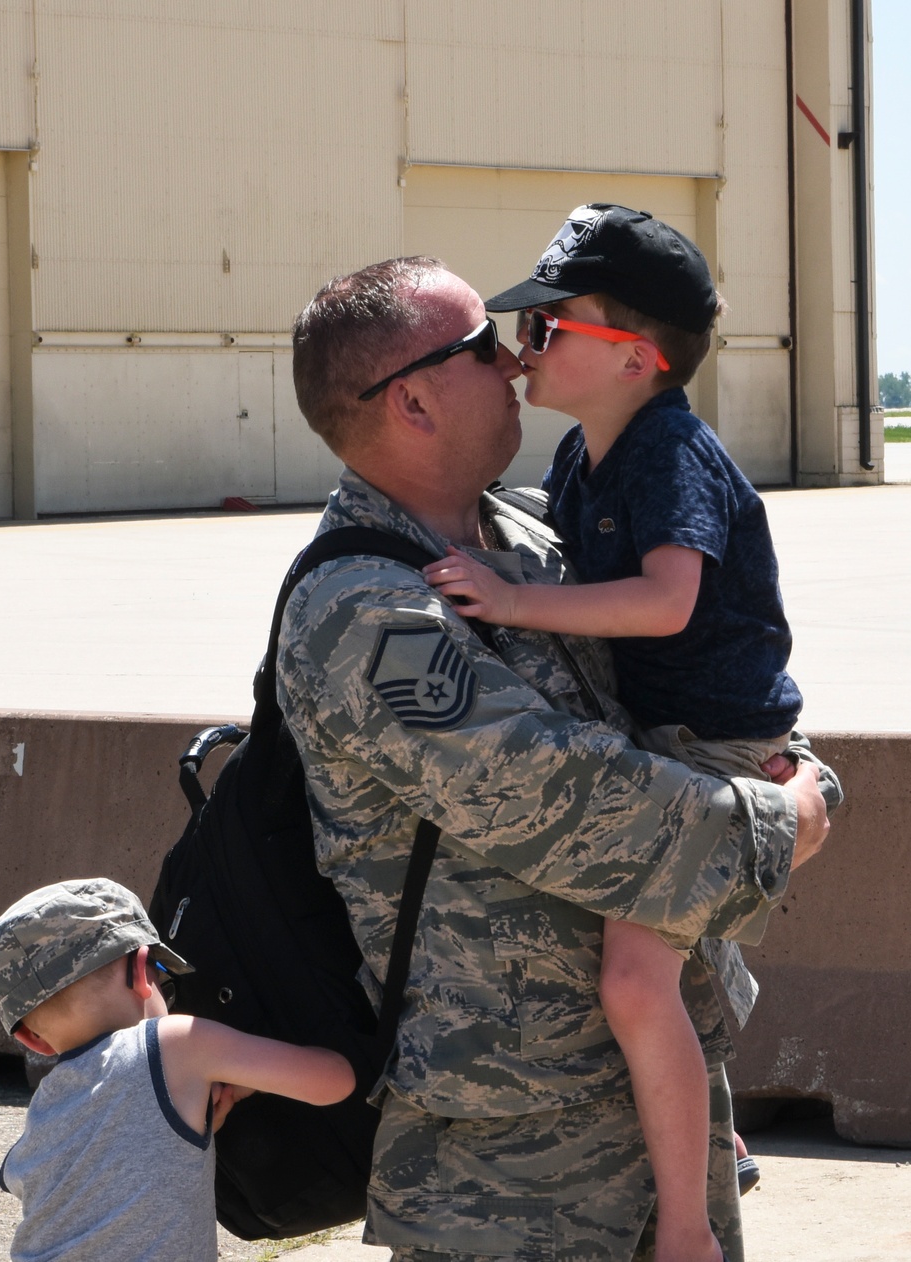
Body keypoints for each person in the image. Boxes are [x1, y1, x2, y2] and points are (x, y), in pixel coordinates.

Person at [282, 254, 837, 1262]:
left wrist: (779, 754)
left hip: (656, 1100)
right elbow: (566, 803)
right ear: (409, 401)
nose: (512, 362)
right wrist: (789, 812)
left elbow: (708, 669)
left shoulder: (537, 534)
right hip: (515, 1164)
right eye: (478, 347)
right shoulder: (365, 615)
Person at [421, 203, 803, 1262]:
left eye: (548, 330)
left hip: (710, 744)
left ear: (635, 357)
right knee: (660, 973)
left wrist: (508, 600)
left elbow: (666, 600)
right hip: (663, 737)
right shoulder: (592, 455)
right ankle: (710, 1132)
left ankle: (685, 1226)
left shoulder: (665, 450)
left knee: (634, 981)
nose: (519, 349)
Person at [0, 877, 355, 1262]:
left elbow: (93, 1172)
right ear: (142, 971)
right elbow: (335, 1081)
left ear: (31, 1040)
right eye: (161, 973)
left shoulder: (45, 1110)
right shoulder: (177, 1041)